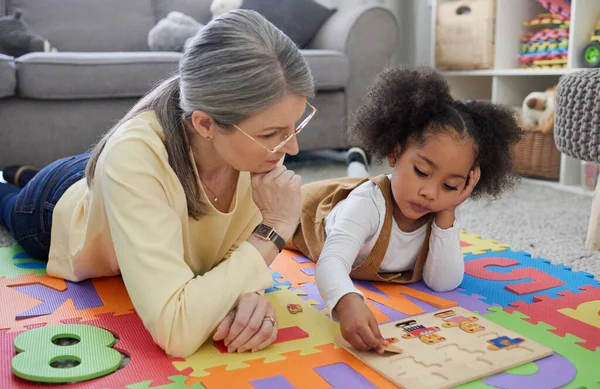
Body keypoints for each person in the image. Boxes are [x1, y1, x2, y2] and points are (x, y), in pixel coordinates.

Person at [0, 9, 317, 358]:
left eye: (295, 127)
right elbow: (176, 331)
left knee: (111, 176)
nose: (291, 148)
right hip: (55, 205)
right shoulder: (134, 156)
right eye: (273, 133)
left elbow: (234, 259)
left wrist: (249, 297)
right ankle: (15, 181)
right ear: (206, 125)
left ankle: (23, 171)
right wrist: (274, 229)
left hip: (121, 178)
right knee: (9, 203)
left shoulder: (259, 147)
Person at [287, 65, 522, 355]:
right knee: (280, 214)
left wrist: (448, 213)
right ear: (395, 154)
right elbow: (331, 262)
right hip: (319, 211)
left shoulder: (441, 207)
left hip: (380, 187)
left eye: (450, 185)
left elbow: (443, 283)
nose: (430, 193)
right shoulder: (365, 205)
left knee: (365, 178)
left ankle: (356, 162)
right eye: (422, 171)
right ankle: (356, 166)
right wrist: (347, 302)